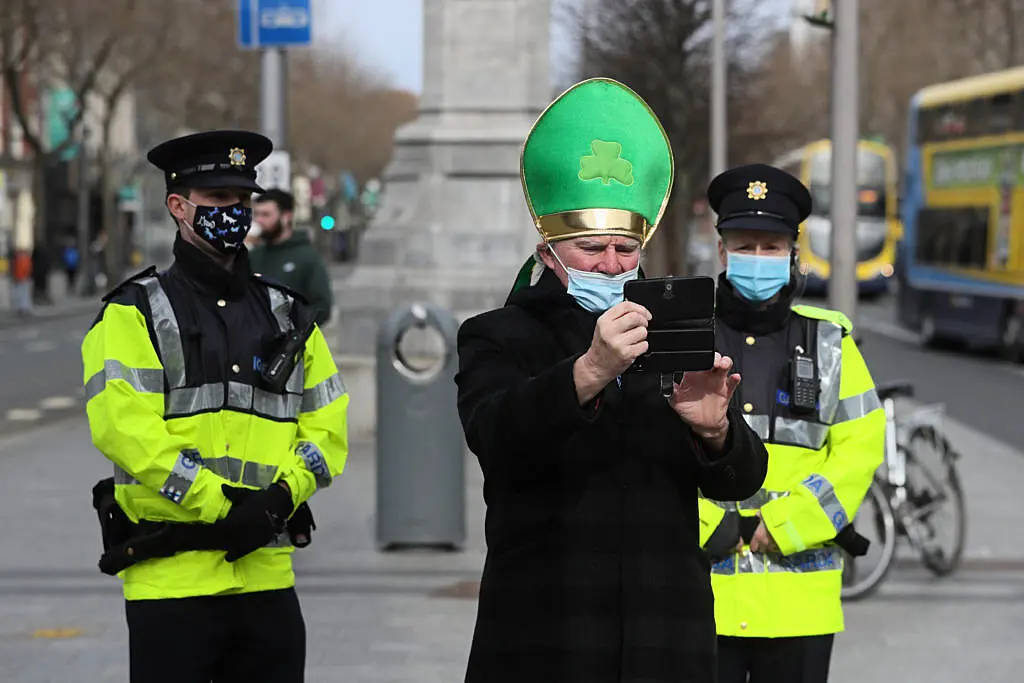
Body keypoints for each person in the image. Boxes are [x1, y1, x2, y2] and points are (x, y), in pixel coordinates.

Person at [455, 77, 770, 683]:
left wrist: (716, 435)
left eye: (626, 248)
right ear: (549, 251)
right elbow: (494, 435)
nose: (611, 264)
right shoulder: (498, 334)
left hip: (664, 635)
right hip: (546, 634)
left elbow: (743, 479)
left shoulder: (677, 330)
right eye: (591, 247)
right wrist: (591, 371)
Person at [80, 129, 350, 683]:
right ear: (179, 207)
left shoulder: (291, 316)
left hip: (266, 578)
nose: (235, 213)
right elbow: (124, 430)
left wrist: (281, 497)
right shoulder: (132, 313)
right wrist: (219, 504)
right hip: (170, 582)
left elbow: (328, 427)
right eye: (218, 201)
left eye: (242, 201)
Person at [698, 164, 885, 683]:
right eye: (745, 246)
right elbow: (651, 449)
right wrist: (712, 526)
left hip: (799, 608)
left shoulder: (831, 343)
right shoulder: (686, 341)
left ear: (792, 255)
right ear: (721, 252)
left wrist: (782, 526)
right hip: (701, 599)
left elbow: (860, 449)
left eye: (771, 247)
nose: (758, 259)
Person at [250, 188, 334, 326]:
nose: (259, 220)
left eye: (266, 215)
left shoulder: (307, 257)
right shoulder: (253, 256)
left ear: (286, 216)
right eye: (256, 214)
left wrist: (292, 332)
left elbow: (322, 307)